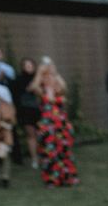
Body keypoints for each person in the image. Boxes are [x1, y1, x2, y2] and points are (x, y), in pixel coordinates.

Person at [30, 57, 77, 187]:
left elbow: (64, 87)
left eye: (51, 75)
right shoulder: (41, 89)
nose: (49, 78)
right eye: (47, 76)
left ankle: (67, 177)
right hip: (47, 125)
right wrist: (40, 72)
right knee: (49, 151)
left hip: (60, 124)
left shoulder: (58, 86)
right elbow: (33, 87)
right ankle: (52, 179)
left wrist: (54, 72)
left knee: (63, 149)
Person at [11, 58, 40, 170]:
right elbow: (30, 88)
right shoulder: (19, 79)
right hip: (26, 111)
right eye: (26, 65)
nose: (28, 67)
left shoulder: (39, 78)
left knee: (42, 135)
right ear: (22, 67)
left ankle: (45, 156)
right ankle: (34, 159)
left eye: (30, 65)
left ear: (34, 66)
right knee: (31, 135)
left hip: (40, 110)